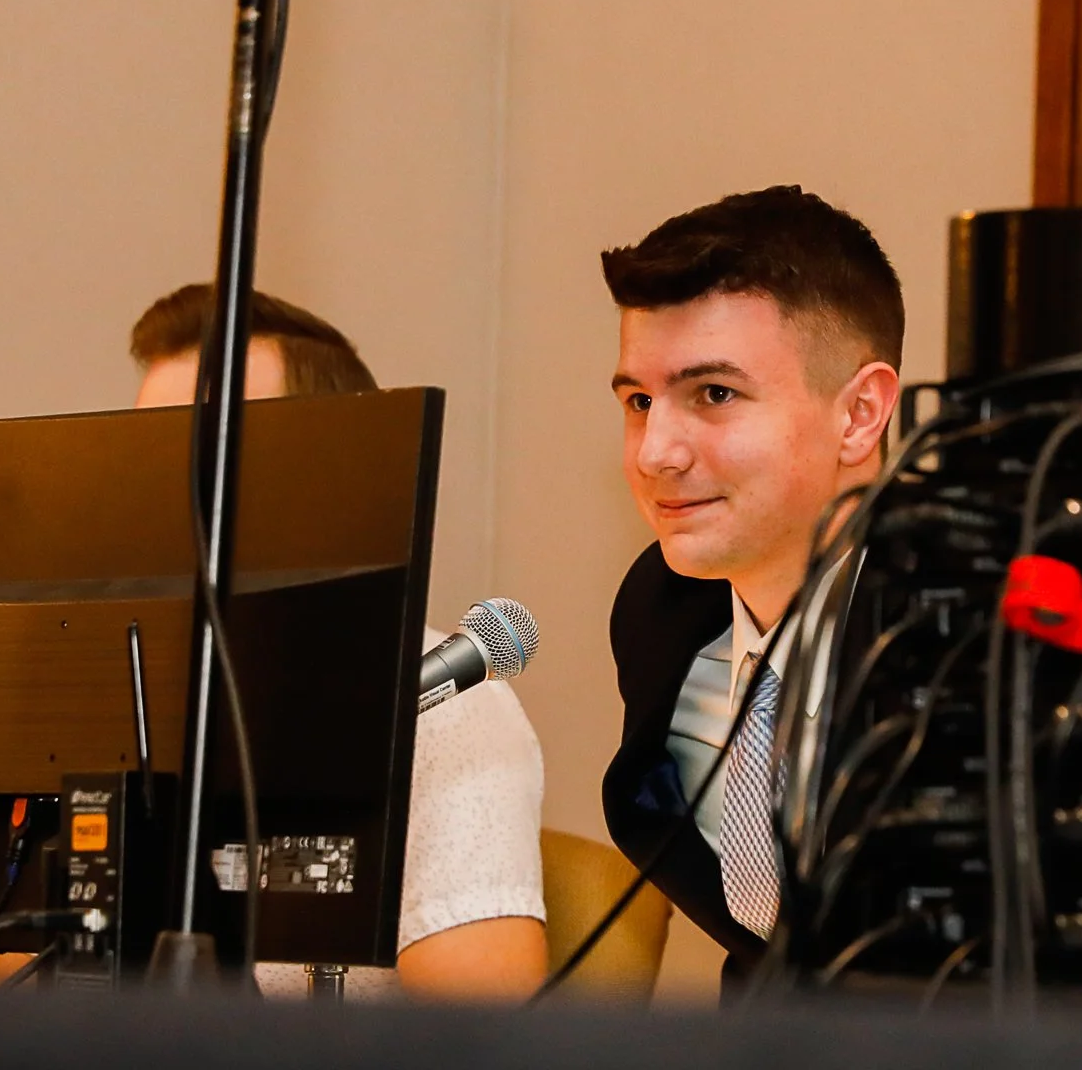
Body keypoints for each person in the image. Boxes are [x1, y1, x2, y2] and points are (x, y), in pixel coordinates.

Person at [131, 283, 549, 1001]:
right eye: (142, 455)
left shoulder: (442, 706)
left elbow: (479, 1038)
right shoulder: (118, 696)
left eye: (207, 454)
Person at [597, 188, 903, 976]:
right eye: (638, 400)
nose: (654, 453)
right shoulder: (657, 610)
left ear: (860, 413)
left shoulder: (968, 631)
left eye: (715, 394)